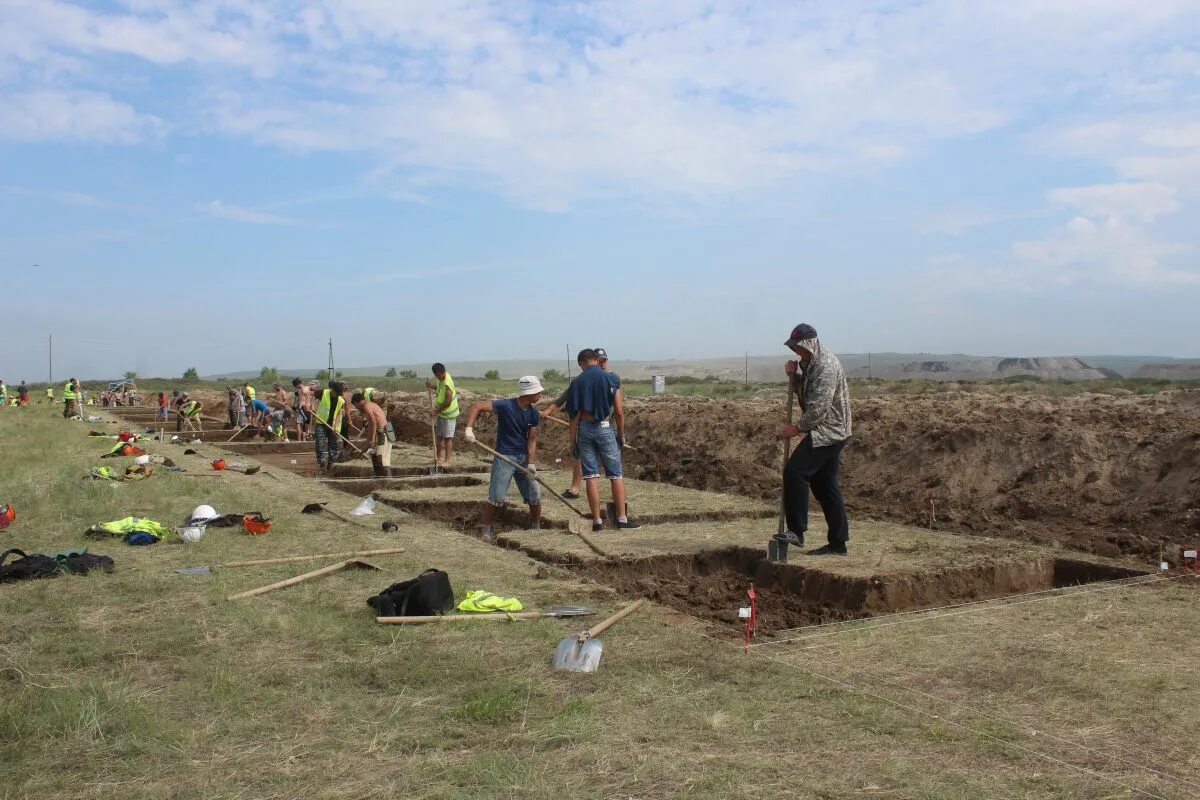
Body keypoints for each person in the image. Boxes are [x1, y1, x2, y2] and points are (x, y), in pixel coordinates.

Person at [775, 323, 853, 556]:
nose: (796, 352)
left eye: (798, 348)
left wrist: (796, 429)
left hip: (830, 431)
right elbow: (809, 393)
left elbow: (818, 408)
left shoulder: (826, 366)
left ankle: (796, 531)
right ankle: (838, 544)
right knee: (824, 485)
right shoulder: (810, 363)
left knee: (795, 472)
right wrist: (795, 377)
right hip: (826, 429)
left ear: (809, 344)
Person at [463, 376, 544, 542]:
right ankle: (486, 531)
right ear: (528, 393)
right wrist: (469, 429)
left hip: (522, 458)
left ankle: (537, 528)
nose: (540, 395)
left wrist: (531, 463)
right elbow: (477, 406)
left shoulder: (534, 414)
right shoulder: (506, 405)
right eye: (538, 392)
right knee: (497, 497)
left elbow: (532, 440)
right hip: (504, 457)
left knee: (534, 494)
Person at [565, 350, 639, 531]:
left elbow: (573, 417)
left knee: (591, 476)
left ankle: (597, 521)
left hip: (584, 429)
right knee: (615, 475)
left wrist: (572, 442)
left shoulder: (577, 382)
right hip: (605, 428)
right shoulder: (610, 379)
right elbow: (619, 412)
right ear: (596, 360)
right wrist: (620, 435)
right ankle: (622, 519)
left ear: (582, 363)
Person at [427, 363, 460, 468]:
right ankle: (438, 458)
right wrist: (431, 386)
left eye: (436, 375)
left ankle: (447, 461)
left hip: (449, 415)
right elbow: (439, 388)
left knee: (447, 438)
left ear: (440, 373)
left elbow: (447, 401)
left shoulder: (447, 382)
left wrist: (435, 411)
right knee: (440, 437)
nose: (436, 377)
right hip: (442, 414)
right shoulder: (441, 379)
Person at [352, 391, 391, 477]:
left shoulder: (366, 406)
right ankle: (382, 481)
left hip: (383, 431)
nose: (357, 409)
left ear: (356, 403)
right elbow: (371, 425)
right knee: (381, 459)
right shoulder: (372, 404)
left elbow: (373, 423)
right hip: (388, 429)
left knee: (380, 460)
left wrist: (372, 440)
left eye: (355, 406)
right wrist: (368, 442)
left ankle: (385, 483)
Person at [312, 380, 347, 472]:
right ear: (332, 389)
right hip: (321, 422)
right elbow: (310, 394)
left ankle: (332, 464)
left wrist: (335, 427)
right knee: (320, 443)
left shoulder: (341, 400)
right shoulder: (323, 393)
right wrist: (308, 405)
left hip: (333, 425)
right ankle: (322, 464)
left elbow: (339, 415)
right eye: (336, 393)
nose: (337, 395)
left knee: (333, 444)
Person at [291, 378, 312, 442]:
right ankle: (304, 439)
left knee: (298, 423)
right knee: (306, 424)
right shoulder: (305, 389)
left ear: (297, 385)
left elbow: (301, 399)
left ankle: (300, 440)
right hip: (308, 408)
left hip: (302, 408)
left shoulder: (302, 389)